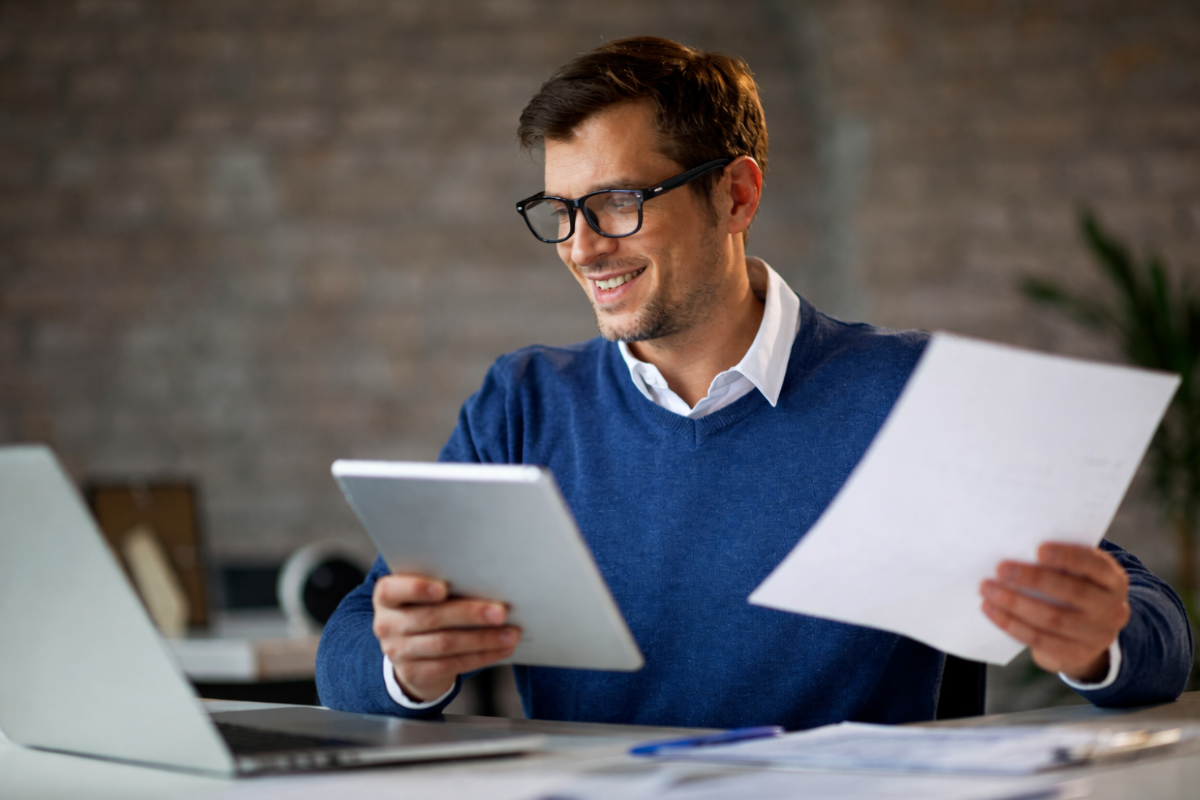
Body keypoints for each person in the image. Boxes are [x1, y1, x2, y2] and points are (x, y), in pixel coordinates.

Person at [316, 37, 1193, 730]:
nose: (582, 247)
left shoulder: (906, 392)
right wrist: (406, 661)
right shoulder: (522, 405)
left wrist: (1097, 640)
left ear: (736, 196)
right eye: (562, 212)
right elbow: (350, 647)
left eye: (620, 203)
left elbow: (1153, 629)